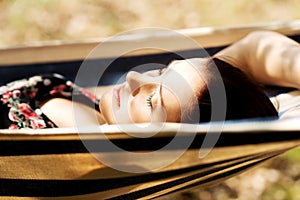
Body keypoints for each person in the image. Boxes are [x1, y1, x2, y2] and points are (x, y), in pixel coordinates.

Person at [1, 30, 300, 129]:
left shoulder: (90, 139)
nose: (132, 78)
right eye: (159, 71)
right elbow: (254, 51)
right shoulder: (103, 115)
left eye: (150, 100)